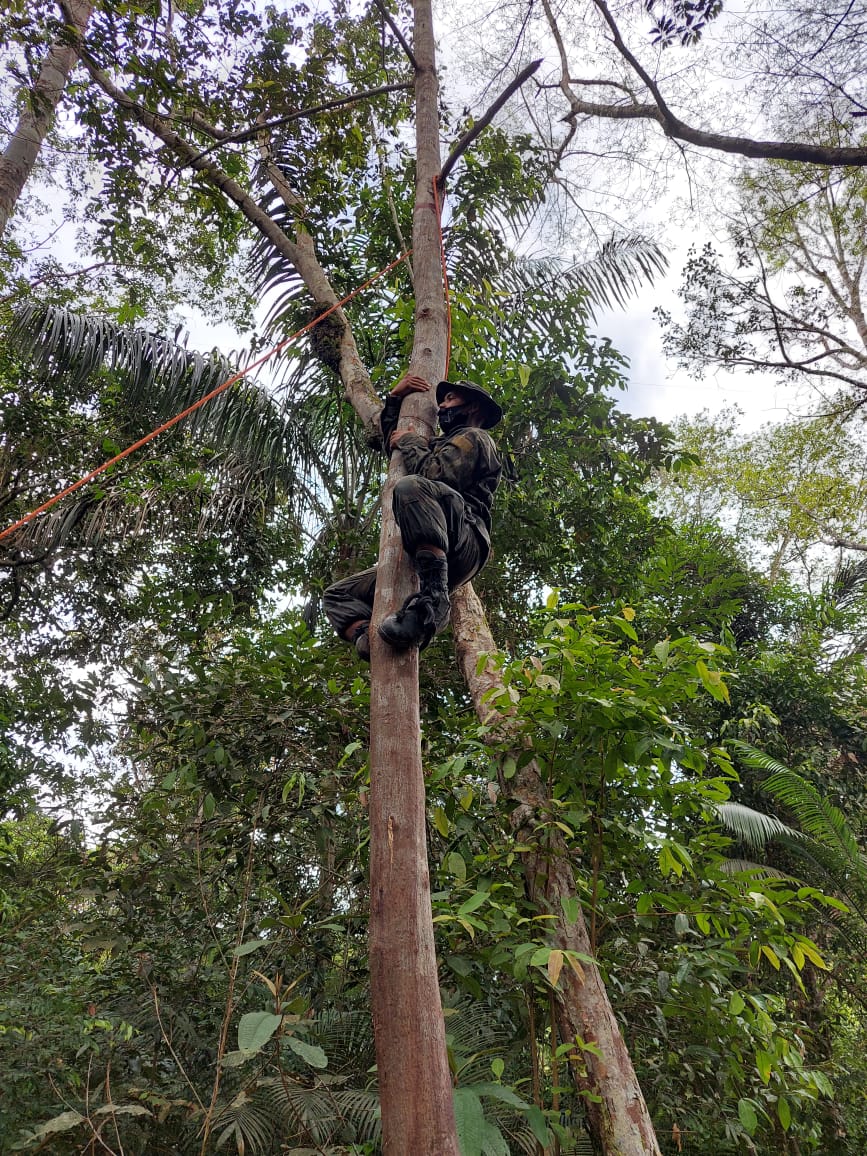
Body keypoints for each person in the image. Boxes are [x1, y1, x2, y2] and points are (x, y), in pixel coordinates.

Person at [323, 374, 503, 659]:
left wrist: (410, 441)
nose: (442, 407)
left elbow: (433, 474)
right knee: (338, 595)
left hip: (464, 537)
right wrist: (395, 400)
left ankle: (433, 602)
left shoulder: (475, 438)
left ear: (473, 408)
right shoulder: (437, 445)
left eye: (450, 399)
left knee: (411, 486)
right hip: (435, 543)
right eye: (441, 401)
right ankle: (370, 638)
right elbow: (393, 448)